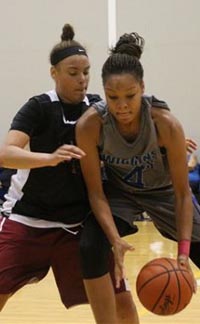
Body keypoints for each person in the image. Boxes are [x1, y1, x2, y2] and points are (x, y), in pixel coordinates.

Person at [0, 23, 139, 322]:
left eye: (87, 72)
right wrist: (49, 158)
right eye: (73, 73)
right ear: (54, 73)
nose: (82, 79)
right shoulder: (38, 107)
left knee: (122, 303)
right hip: (29, 217)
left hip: (79, 223)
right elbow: (6, 154)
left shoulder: (100, 109)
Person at [76, 32, 200, 323]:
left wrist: (182, 253)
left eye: (130, 96)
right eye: (112, 97)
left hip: (165, 193)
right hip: (121, 194)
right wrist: (113, 239)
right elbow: (96, 193)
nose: (121, 106)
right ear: (103, 92)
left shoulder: (165, 124)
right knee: (90, 246)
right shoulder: (90, 126)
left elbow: (183, 194)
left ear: (142, 88)